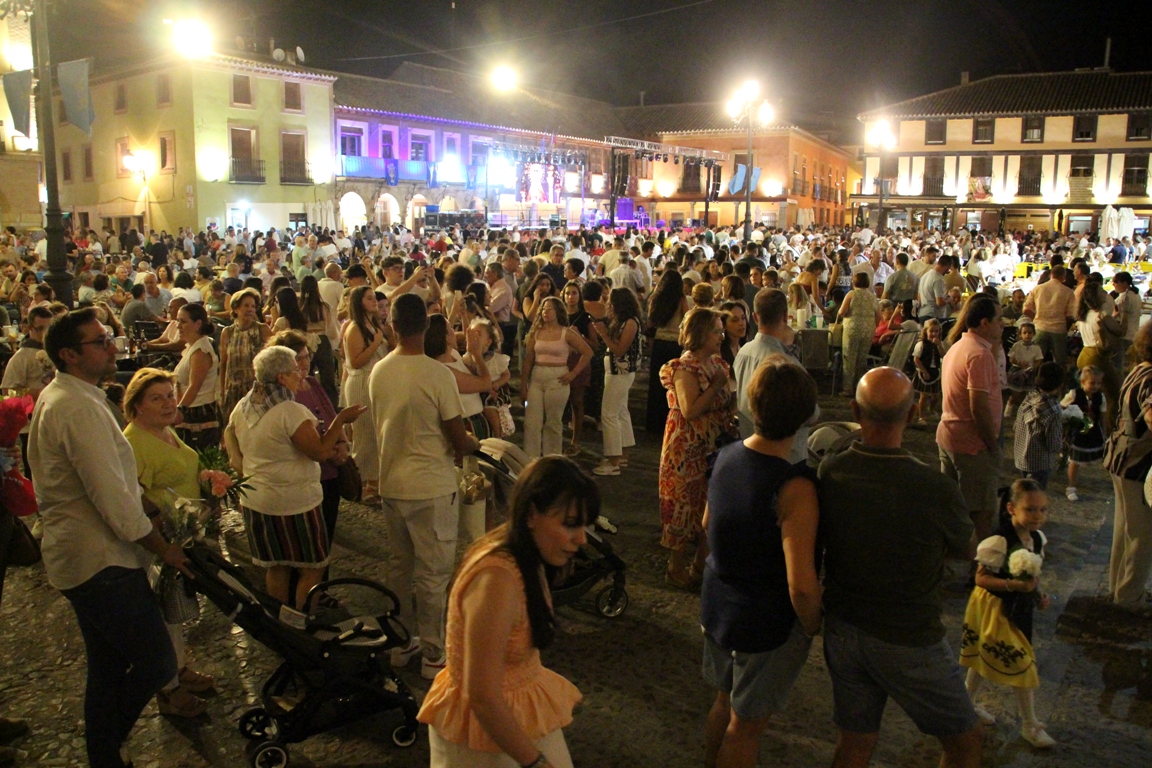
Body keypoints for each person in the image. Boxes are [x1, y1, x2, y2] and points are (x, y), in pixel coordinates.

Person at [29, 308, 193, 768]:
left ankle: (105, 754)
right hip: (98, 561)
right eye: (98, 342)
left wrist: (151, 507)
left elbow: (117, 483)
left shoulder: (75, 397)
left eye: (108, 338)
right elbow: (110, 496)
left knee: (106, 667)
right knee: (158, 663)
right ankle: (106, 748)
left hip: (86, 557)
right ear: (68, 354)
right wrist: (163, 547)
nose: (111, 347)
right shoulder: (75, 405)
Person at [817, 367, 982, 768]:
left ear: (855, 411)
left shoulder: (831, 470)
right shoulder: (934, 487)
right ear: (911, 416)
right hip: (908, 635)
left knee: (854, 742)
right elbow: (966, 548)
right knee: (965, 741)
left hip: (843, 625)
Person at [417, 457, 592, 768]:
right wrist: (535, 763)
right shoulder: (497, 580)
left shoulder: (527, 555)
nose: (581, 539)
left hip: (512, 717)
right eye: (570, 524)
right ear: (531, 514)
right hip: (482, 733)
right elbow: (482, 694)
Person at [701, 356, 823, 768]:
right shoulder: (794, 486)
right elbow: (801, 584)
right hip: (764, 619)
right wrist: (812, 624)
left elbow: (707, 525)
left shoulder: (726, 457)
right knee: (747, 726)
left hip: (719, 602)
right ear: (805, 417)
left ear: (753, 406)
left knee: (724, 703)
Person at [369, 293, 479, 680]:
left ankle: (401, 643)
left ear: (393, 326)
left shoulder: (379, 371)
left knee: (400, 568)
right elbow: (456, 433)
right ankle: (434, 652)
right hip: (430, 486)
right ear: (426, 327)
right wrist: (473, 444)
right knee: (433, 574)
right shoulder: (437, 375)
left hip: (391, 484)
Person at [228, 346, 364, 609]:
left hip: (258, 500)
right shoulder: (290, 411)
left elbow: (234, 446)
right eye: (295, 370)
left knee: (277, 567)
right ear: (281, 377)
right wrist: (342, 420)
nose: (303, 374)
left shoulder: (245, 406)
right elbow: (321, 452)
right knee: (313, 568)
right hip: (292, 502)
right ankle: (302, 617)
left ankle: (281, 622)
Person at [122, 369, 216, 719]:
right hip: (157, 541)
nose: (168, 403)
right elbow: (135, 495)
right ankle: (167, 688)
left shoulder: (165, 432)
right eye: (156, 398)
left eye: (170, 395)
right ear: (136, 405)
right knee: (161, 616)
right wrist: (163, 526)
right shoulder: (133, 441)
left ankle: (177, 667)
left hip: (183, 534)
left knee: (173, 612)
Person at [960, 479, 1055, 748]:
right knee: (1022, 663)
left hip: (1018, 608)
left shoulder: (1037, 539)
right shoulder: (999, 541)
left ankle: (967, 704)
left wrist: (1038, 595)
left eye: (1043, 510)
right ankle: (1030, 725)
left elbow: (1032, 575)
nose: (1038, 516)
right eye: (1031, 509)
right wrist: (1013, 585)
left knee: (981, 657)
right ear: (1012, 509)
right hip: (994, 607)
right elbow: (980, 579)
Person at [659, 307, 738, 589]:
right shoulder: (684, 367)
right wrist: (716, 387)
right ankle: (676, 564)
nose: (721, 335)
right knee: (683, 503)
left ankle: (699, 564)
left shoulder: (717, 363)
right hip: (686, 445)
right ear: (702, 333)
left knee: (710, 503)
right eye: (716, 330)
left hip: (712, 444)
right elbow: (690, 409)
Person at [267, 330, 349, 563]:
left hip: (330, 471)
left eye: (306, 356)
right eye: (298, 359)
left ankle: (322, 588)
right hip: (306, 476)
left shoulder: (313, 384)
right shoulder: (283, 397)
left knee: (327, 534)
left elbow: (331, 415)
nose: (305, 363)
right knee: (309, 544)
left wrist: (342, 442)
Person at [938, 294, 1004, 543]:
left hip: (951, 435)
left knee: (954, 507)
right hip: (972, 445)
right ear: (984, 322)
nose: (1003, 324)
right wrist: (992, 445)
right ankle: (978, 570)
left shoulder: (959, 346)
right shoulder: (978, 354)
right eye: (999, 319)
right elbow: (979, 406)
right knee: (980, 514)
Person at [733, 288, 817, 465]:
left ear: (755, 317)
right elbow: (810, 413)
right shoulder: (786, 365)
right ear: (786, 316)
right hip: (785, 456)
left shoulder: (743, 353)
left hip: (749, 447)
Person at [1105, 322, 1152, 611]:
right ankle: (1130, 597)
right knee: (1142, 535)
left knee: (1125, 531)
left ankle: (1118, 588)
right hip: (1136, 463)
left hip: (1122, 458)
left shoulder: (1139, 369)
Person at [521, 297, 592, 458]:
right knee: (531, 422)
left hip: (558, 377)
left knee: (553, 422)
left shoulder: (567, 333)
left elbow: (588, 352)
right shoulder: (536, 333)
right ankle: (529, 459)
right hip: (537, 376)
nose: (546, 312)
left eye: (550, 309)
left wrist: (573, 373)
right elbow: (528, 360)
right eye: (544, 309)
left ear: (558, 311)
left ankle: (551, 459)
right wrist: (523, 385)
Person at [342, 285, 390, 500]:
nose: (374, 301)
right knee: (364, 434)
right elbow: (356, 361)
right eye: (369, 298)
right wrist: (377, 342)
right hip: (362, 381)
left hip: (376, 381)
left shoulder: (374, 324)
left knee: (375, 432)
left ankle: (374, 480)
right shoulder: (355, 328)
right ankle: (359, 482)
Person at [587, 288, 641, 476]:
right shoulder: (626, 322)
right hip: (618, 371)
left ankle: (613, 461)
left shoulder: (630, 323)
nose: (608, 306)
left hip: (620, 372)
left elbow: (619, 350)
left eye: (610, 303)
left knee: (608, 414)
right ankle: (622, 453)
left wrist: (603, 334)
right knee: (621, 412)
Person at [219, 288, 272, 423]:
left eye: (253, 306)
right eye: (246, 305)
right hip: (233, 390)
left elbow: (273, 359)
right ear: (236, 308)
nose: (250, 309)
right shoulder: (227, 332)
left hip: (256, 390)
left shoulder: (262, 330)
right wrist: (222, 390)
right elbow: (224, 363)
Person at [171, 304, 220, 451]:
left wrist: (179, 410)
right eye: (178, 321)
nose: (178, 326)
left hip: (199, 414)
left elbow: (194, 386)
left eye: (183, 321)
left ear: (198, 324)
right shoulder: (192, 347)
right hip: (190, 411)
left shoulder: (201, 351)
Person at [645, 270, 689, 433]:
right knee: (672, 384)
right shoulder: (681, 299)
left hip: (659, 343)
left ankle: (653, 422)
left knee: (656, 383)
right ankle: (669, 420)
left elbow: (650, 323)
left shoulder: (655, 298)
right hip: (674, 344)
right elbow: (687, 319)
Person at [1011, 362, 1065, 489]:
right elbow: (1053, 442)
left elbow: (1016, 425)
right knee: (1036, 491)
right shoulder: (1054, 410)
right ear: (1060, 385)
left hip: (1021, 455)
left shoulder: (1029, 397)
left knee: (1024, 489)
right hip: (1040, 461)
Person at [1075, 281, 1121, 428]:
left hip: (1084, 354)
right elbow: (1121, 331)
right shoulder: (1101, 315)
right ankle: (1109, 428)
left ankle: (1085, 425)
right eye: (1102, 291)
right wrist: (1124, 316)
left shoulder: (1083, 315)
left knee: (1088, 394)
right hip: (1097, 356)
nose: (1105, 294)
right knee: (1113, 394)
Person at [1061, 366, 1107, 502]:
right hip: (1078, 432)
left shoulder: (1100, 396)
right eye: (1092, 383)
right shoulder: (1074, 394)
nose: (1096, 386)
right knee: (1075, 460)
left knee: (1102, 455)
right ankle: (1071, 487)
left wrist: (1104, 432)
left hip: (1093, 432)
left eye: (1098, 383)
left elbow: (1103, 415)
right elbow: (1061, 408)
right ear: (1083, 382)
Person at [560, 282, 594, 456]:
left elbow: (594, 344)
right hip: (559, 360)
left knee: (576, 401)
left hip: (578, 360)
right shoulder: (558, 316)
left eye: (574, 293)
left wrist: (579, 337)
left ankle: (575, 440)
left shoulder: (584, 317)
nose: (571, 297)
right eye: (568, 293)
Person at [1022, 264, 1076, 367]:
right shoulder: (1068, 292)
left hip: (1039, 328)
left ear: (1051, 275)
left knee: (1035, 360)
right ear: (1063, 277)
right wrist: (1065, 328)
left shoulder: (1037, 289)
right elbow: (1070, 316)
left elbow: (1026, 309)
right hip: (1059, 330)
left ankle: (1034, 380)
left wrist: (1037, 318)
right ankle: (1058, 382)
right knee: (1060, 363)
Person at [837, 272, 881, 396]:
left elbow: (842, 312)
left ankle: (847, 388)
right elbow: (879, 315)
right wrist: (873, 326)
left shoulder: (851, 294)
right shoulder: (872, 296)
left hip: (852, 328)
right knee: (862, 359)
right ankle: (860, 386)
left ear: (854, 282)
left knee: (849, 358)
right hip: (868, 329)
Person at [1004, 321, 1044, 420]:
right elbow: (1011, 358)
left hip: (1029, 372)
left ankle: (1025, 412)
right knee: (1015, 392)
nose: (1027, 335)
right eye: (1024, 333)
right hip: (1017, 371)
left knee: (1028, 393)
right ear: (1020, 334)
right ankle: (1010, 404)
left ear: (1034, 334)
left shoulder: (1036, 347)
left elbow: (1039, 360)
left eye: (1030, 333)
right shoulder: (1016, 346)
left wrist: (1032, 367)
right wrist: (1018, 363)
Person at [911, 318, 944, 425]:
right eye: (931, 331)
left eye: (936, 331)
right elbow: (916, 359)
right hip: (924, 371)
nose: (934, 333)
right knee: (923, 396)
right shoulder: (921, 344)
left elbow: (944, 355)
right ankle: (921, 416)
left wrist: (939, 345)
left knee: (936, 396)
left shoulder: (939, 343)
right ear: (926, 331)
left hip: (935, 372)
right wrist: (924, 371)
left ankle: (931, 408)